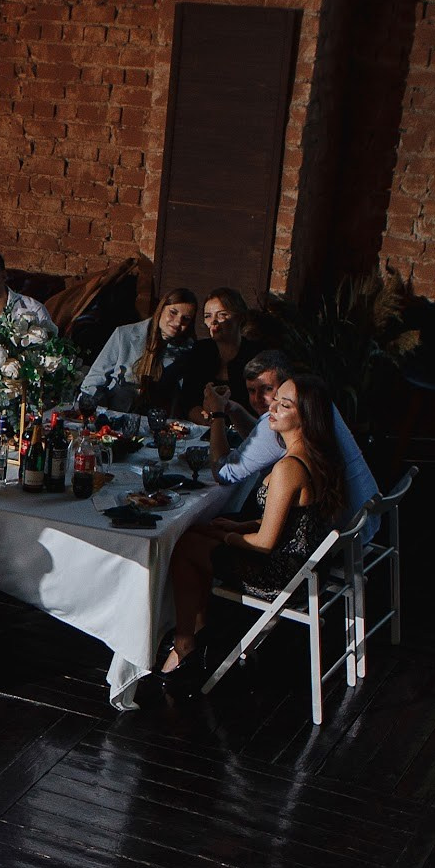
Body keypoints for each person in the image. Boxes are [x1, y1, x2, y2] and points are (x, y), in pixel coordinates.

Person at [162, 375, 348, 679]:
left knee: (186, 545)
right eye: (277, 399)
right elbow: (297, 520)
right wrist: (240, 524)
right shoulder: (319, 454)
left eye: (284, 405)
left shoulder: (289, 468)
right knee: (200, 531)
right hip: (306, 566)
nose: (272, 407)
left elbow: (263, 544)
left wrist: (226, 534)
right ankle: (199, 632)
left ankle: (185, 643)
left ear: (305, 418)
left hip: (282, 574)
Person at [209, 349, 379, 520]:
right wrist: (233, 409)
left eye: (267, 389)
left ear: (286, 386)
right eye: (252, 391)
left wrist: (217, 414)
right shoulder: (314, 401)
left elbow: (223, 473)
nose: (258, 399)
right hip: (366, 512)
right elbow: (265, 440)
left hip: (339, 534)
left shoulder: (287, 415)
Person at [80, 287, 198, 411]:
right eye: (173, 312)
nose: (178, 322)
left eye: (186, 318)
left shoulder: (187, 350)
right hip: (115, 413)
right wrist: (97, 411)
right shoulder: (124, 335)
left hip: (154, 420)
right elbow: (94, 380)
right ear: (161, 309)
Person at [172, 287, 255, 419]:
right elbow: (189, 399)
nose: (213, 321)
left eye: (222, 314)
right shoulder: (201, 350)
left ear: (240, 317)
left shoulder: (254, 354)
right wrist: (202, 418)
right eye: (208, 316)